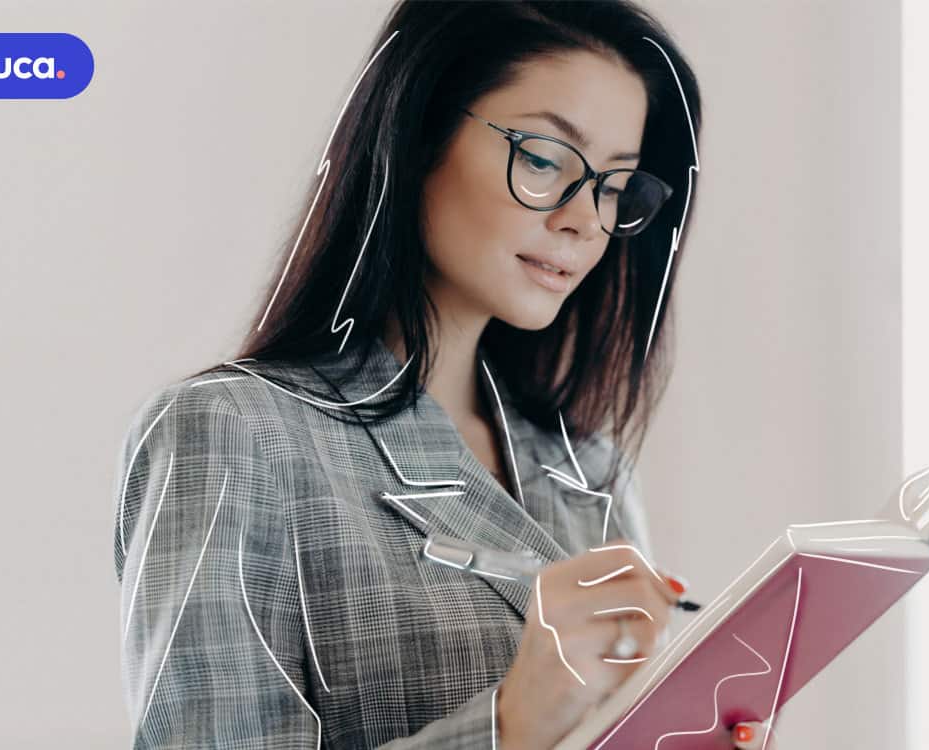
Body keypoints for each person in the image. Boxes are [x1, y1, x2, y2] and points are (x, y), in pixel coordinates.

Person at [113, 1, 779, 747]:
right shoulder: (233, 432)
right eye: (544, 159)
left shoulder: (587, 471)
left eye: (616, 187)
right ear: (418, 131)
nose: (585, 220)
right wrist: (511, 725)